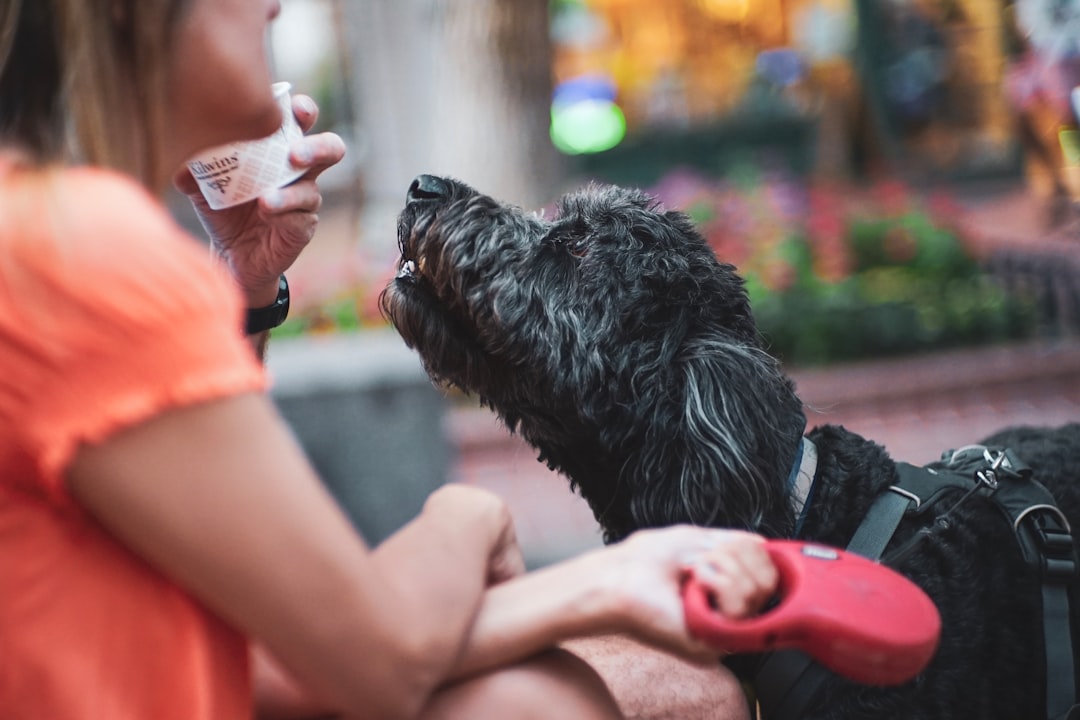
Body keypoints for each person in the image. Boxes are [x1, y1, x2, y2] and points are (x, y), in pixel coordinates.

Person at [0, 1, 777, 719]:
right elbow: (370, 659)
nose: (274, 4)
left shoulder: (38, 231)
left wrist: (243, 284)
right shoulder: (75, 252)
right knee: (661, 690)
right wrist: (554, 553)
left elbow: (255, 604)